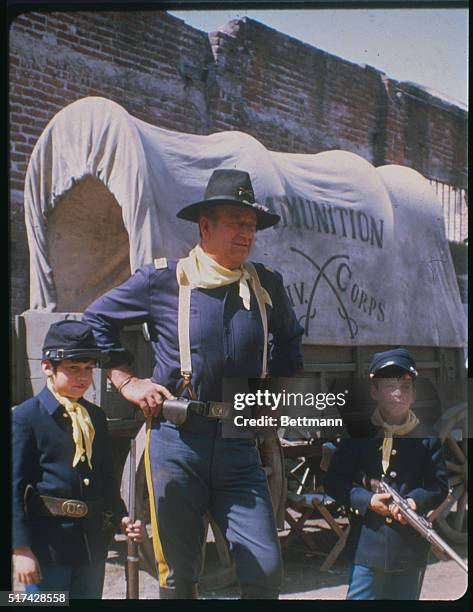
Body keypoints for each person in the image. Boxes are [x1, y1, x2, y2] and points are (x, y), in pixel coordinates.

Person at [83, 168, 304, 599]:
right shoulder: (164, 280)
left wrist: (270, 392)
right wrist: (125, 380)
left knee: (266, 570)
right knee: (178, 577)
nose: (247, 234)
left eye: (252, 225)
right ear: (205, 226)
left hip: (240, 443)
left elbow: (291, 343)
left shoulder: (265, 285)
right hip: (177, 443)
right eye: (236, 223)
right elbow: (97, 320)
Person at [12, 320, 143, 599]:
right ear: (48, 367)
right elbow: (11, 488)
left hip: (90, 546)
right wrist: (21, 549)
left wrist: (121, 517)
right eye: (73, 368)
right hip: (46, 548)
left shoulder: (95, 417)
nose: (83, 377)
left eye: (88, 369)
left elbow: (106, 478)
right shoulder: (26, 417)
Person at [324, 348, 448, 600]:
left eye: (405, 386)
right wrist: (367, 500)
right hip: (367, 547)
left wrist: (414, 502)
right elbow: (334, 481)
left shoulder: (427, 438)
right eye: (388, 386)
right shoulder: (358, 435)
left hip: (410, 548)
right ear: (374, 391)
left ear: (413, 394)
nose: (397, 394)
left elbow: (438, 485)